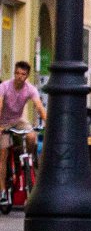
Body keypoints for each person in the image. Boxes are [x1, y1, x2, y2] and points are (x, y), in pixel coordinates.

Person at [0, 61, 46, 189]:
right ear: (14, 73)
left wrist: (48, 122)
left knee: (31, 136)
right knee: (3, 154)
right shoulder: (4, 86)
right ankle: (2, 190)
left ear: (27, 76)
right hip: (3, 122)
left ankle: (27, 159)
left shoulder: (30, 89)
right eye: (17, 73)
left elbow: (39, 106)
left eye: (23, 74)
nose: (20, 76)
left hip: (18, 120)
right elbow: (0, 105)